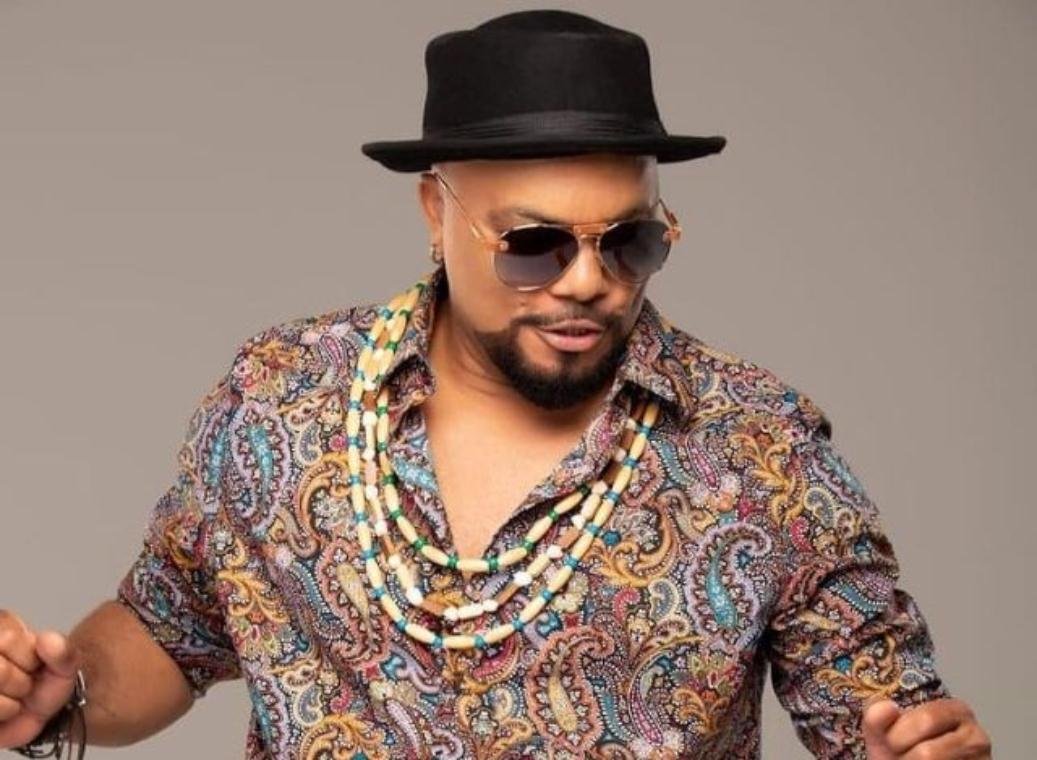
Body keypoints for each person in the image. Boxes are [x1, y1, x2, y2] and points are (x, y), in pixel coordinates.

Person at [0, 9, 992, 760]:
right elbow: (168, 628)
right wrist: (61, 692)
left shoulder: (759, 448)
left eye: (629, 240)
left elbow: (880, 715)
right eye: (533, 243)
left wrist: (920, 746)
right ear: (435, 212)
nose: (586, 281)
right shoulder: (281, 397)